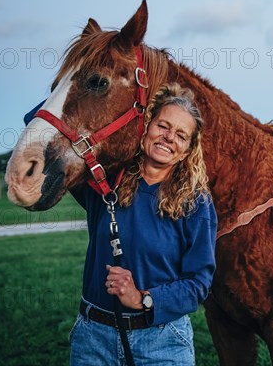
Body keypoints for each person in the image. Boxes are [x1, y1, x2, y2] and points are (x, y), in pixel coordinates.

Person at [62, 83, 217, 365]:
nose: (169, 138)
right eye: (163, 126)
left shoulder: (196, 204)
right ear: (146, 126)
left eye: (181, 135)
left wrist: (143, 298)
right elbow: (46, 123)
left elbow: (198, 284)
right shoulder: (107, 182)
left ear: (186, 151)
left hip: (163, 342)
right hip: (93, 339)